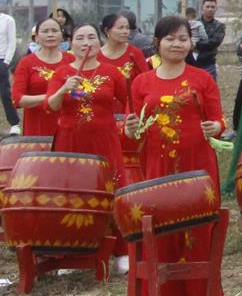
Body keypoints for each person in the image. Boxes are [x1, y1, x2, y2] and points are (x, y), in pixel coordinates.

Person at [126, 16, 225, 296]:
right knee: (163, 232)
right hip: (158, 167)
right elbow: (136, 130)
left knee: (198, 232)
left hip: (198, 165)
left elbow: (219, 120)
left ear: (191, 43)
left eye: (183, 38)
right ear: (157, 42)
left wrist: (216, 126)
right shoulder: (142, 82)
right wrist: (129, 129)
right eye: (170, 38)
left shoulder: (202, 79)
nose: (177, 43)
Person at [48, 23, 127, 189]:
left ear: (100, 43)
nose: (86, 43)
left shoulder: (112, 73)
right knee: (73, 188)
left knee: (107, 186)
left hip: (105, 139)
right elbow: (52, 105)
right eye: (80, 38)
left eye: (91, 37)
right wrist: (63, 89)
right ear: (71, 44)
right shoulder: (61, 73)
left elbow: (128, 101)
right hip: (71, 140)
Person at [11, 16, 68, 137]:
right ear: (36, 37)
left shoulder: (72, 60)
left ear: (62, 36)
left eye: (54, 31)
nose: (50, 34)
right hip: (38, 128)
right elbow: (17, 99)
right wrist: (53, 97)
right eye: (45, 31)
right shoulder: (26, 63)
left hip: (69, 126)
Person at [97, 13, 150, 87]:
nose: (125, 31)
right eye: (120, 28)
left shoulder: (135, 53)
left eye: (127, 28)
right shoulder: (96, 55)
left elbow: (146, 81)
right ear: (107, 30)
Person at [189, 0, 225, 71]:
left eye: (212, 7)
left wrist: (196, 44)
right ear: (202, 7)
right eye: (207, 6)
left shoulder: (220, 26)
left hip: (209, 64)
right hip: (192, 62)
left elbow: (214, 42)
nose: (210, 9)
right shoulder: (193, 24)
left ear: (216, 8)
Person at [0, 7, 17, 134]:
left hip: (1, 60)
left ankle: (14, 123)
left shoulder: (7, 20)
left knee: (5, 94)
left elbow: (12, 41)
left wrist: (6, 61)